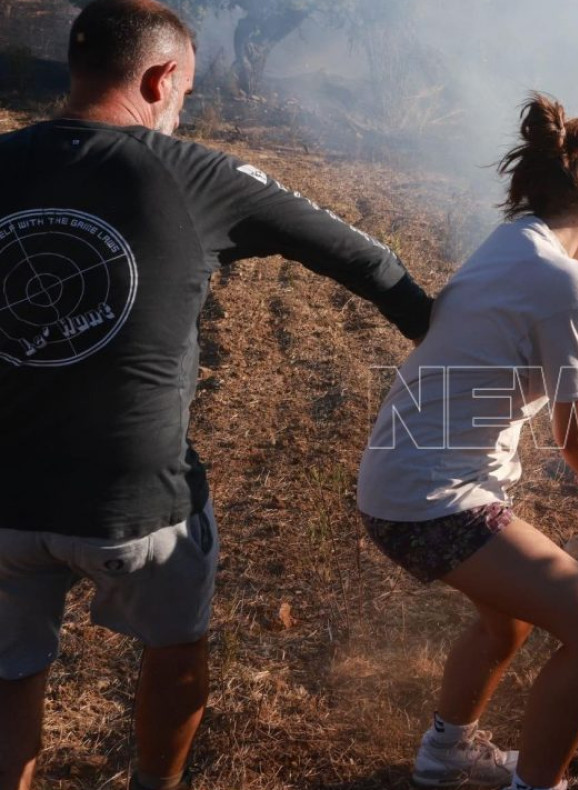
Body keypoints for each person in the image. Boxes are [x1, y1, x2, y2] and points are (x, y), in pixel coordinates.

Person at [0, 2, 435, 789]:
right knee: (174, 651)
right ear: (163, 79)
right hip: (135, 507)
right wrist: (449, 339)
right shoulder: (196, 174)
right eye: (188, 93)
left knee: (8, 671)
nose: (184, 107)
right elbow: (367, 263)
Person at [356, 93, 578, 790]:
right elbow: (575, 438)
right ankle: (540, 785)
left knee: (508, 626)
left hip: (397, 483)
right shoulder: (567, 284)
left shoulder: (508, 249)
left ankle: (445, 755)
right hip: (433, 497)